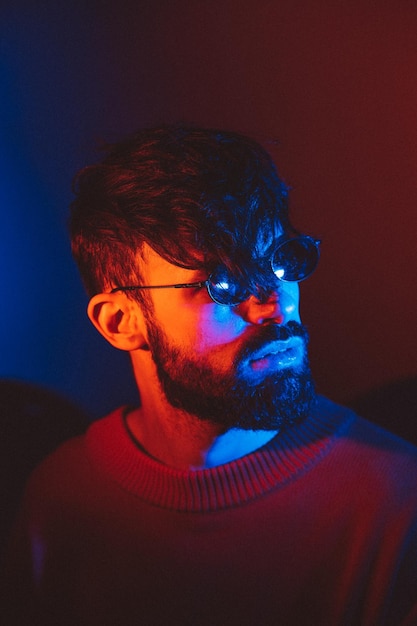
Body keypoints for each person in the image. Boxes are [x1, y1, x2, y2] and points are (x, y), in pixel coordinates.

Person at [2, 125, 417, 625]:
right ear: (121, 322)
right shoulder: (61, 500)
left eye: (280, 262)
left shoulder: (397, 501)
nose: (273, 305)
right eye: (221, 283)